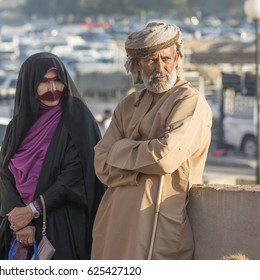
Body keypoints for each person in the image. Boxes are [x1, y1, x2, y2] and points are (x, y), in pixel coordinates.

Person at [91, 22, 212, 260]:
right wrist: (143, 163)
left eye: (165, 59)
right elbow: (100, 162)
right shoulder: (127, 106)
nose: (160, 67)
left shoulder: (189, 101)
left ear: (177, 57)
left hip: (158, 224)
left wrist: (121, 149)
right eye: (150, 61)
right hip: (114, 223)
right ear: (137, 64)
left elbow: (165, 158)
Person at [0, 52, 105, 260]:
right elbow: (4, 173)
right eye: (44, 82)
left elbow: (75, 174)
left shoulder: (77, 118)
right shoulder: (17, 126)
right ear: (29, 84)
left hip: (61, 225)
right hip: (19, 228)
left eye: (57, 81)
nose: (53, 89)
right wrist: (22, 220)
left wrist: (32, 210)